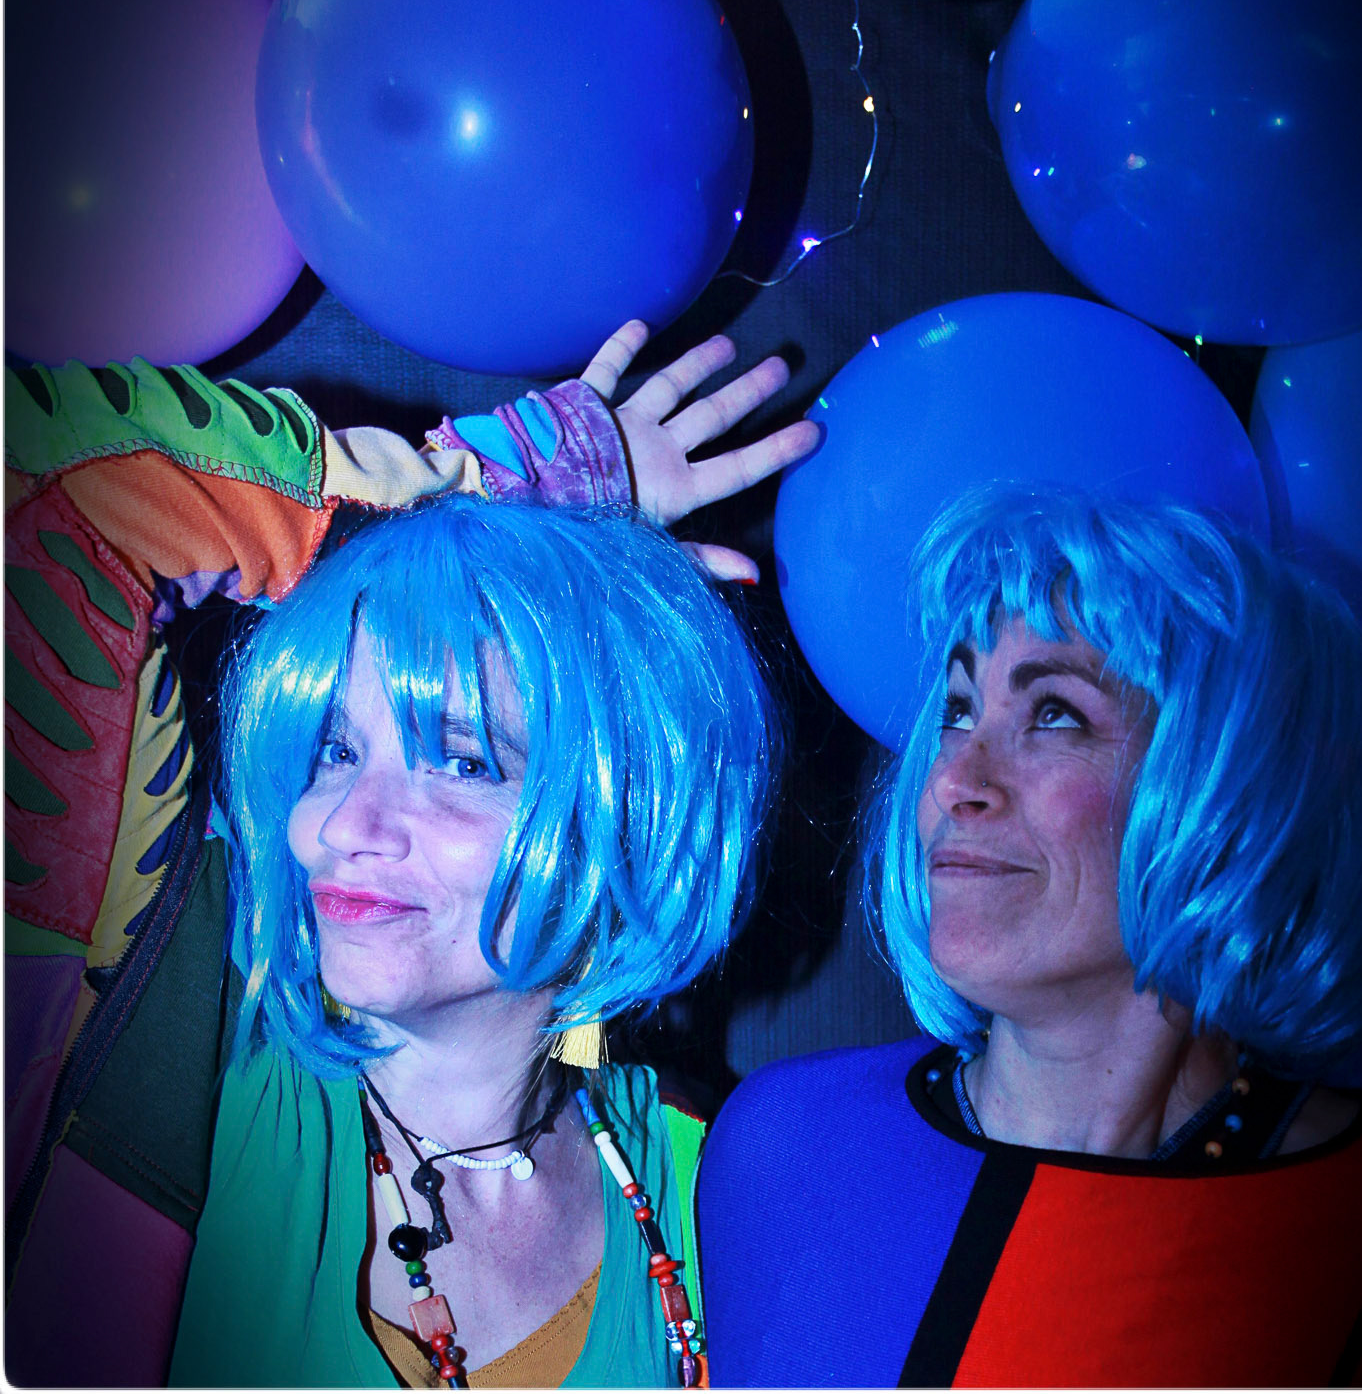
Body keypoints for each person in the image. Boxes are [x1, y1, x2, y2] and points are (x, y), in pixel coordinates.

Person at [4, 322, 815, 1386]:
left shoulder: (716, 1182)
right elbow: (49, 484)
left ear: (616, 820)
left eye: (460, 761)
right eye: (334, 750)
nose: (346, 823)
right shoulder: (188, 1011)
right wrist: (501, 485)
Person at [698, 483, 1362, 1387]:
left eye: (1053, 714)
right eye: (957, 710)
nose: (953, 781)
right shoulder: (784, 1146)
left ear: (1233, 788)